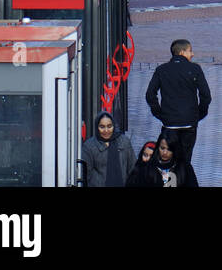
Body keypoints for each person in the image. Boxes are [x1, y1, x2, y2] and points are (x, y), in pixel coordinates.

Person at [144, 38, 211, 186]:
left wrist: (160, 114)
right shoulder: (195, 69)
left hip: (170, 125)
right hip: (189, 125)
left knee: (168, 159)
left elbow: (150, 95)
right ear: (182, 52)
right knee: (185, 160)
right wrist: (199, 114)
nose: (192, 54)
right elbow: (206, 95)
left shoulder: (162, 70)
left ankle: (170, 183)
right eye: (190, 51)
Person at [81, 112, 135, 187]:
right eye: (102, 127)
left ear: (114, 126)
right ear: (97, 127)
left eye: (109, 126)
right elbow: (86, 175)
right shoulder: (89, 146)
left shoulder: (124, 142)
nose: (106, 130)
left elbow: (132, 169)